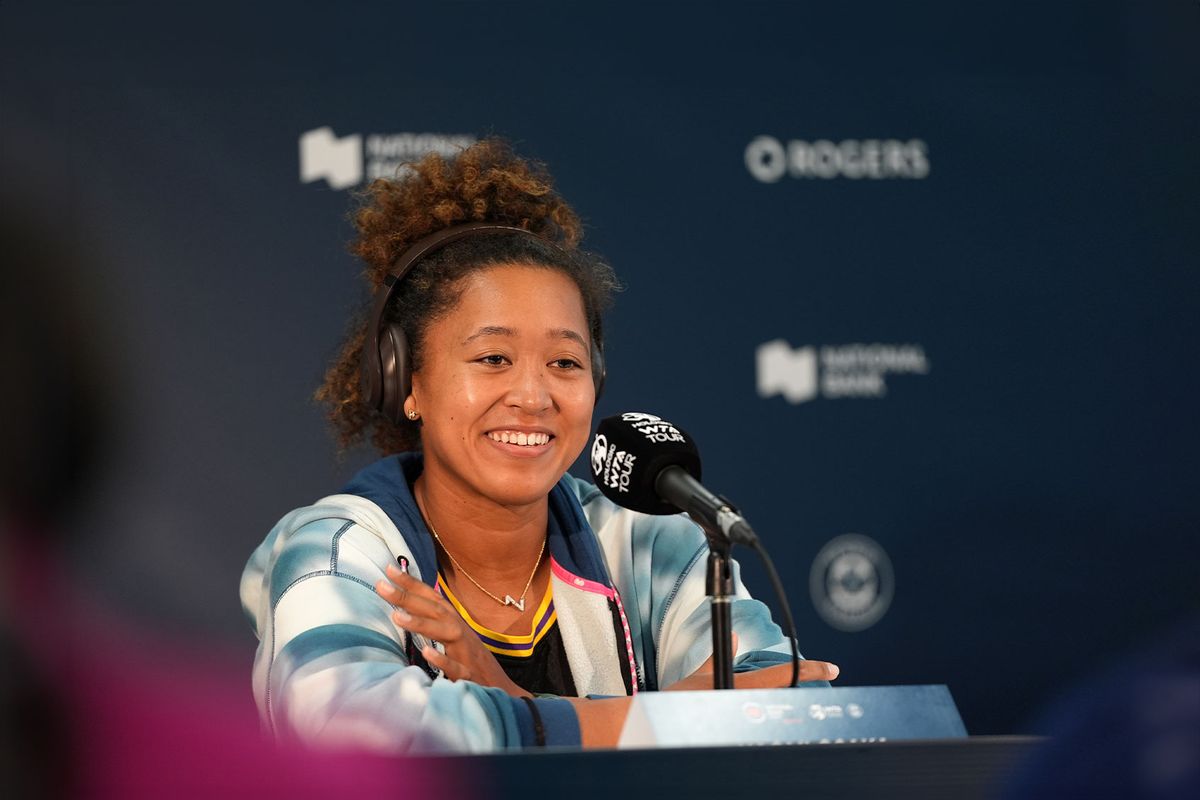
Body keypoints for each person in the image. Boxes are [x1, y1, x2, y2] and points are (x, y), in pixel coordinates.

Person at [240, 139, 838, 753]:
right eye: (493, 358)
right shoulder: (338, 548)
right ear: (406, 382)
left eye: (565, 362)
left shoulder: (650, 540)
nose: (534, 395)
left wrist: (510, 698)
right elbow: (354, 734)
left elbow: (778, 702)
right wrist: (650, 719)